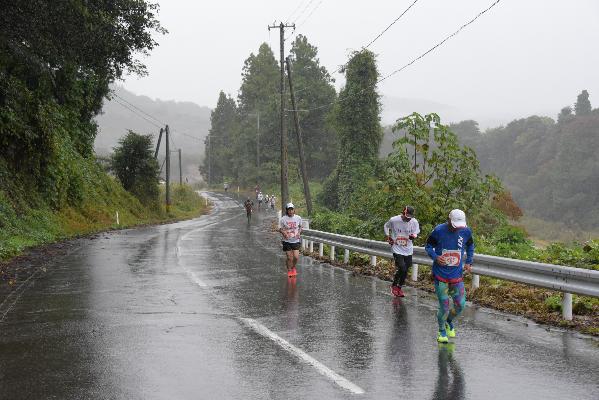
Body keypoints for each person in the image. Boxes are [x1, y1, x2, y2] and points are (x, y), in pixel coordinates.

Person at [425, 209, 474, 343]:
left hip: (456, 276)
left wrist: (469, 261)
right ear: (448, 220)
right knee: (444, 306)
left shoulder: (466, 231)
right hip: (441, 276)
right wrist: (435, 257)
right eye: (454, 225)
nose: (456, 229)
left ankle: (448, 321)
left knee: (460, 304)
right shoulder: (438, 230)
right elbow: (428, 246)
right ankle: (441, 331)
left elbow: (470, 245)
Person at [384, 206, 420, 298]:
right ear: (403, 213)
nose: (408, 219)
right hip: (396, 247)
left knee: (405, 269)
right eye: (406, 217)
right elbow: (386, 226)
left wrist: (414, 236)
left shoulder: (414, 222)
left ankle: (399, 287)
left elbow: (416, 232)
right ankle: (394, 286)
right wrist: (388, 236)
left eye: (410, 218)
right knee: (402, 268)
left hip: (408, 249)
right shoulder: (394, 220)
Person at [278, 203, 302, 278]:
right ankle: (289, 270)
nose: (290, 211)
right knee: (289, 257)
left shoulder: (298, 218)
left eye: (292, 209)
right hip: (287, 241)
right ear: (287, 210)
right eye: (289, 210)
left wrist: (298, 233)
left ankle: (293, 267)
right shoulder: (283, 219)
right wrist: (284, 233)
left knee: (296, 257)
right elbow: (280, 228)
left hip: (295, 240)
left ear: (294, 210)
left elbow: (301, 227)